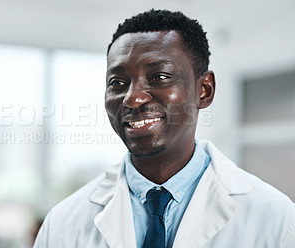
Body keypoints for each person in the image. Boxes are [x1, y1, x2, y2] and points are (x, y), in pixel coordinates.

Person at [33, 9, 295, 248]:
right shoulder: (62, 225)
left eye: (159, 77)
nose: (132, 98)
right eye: (118, 82)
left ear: (204, 90)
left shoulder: (276, 220)